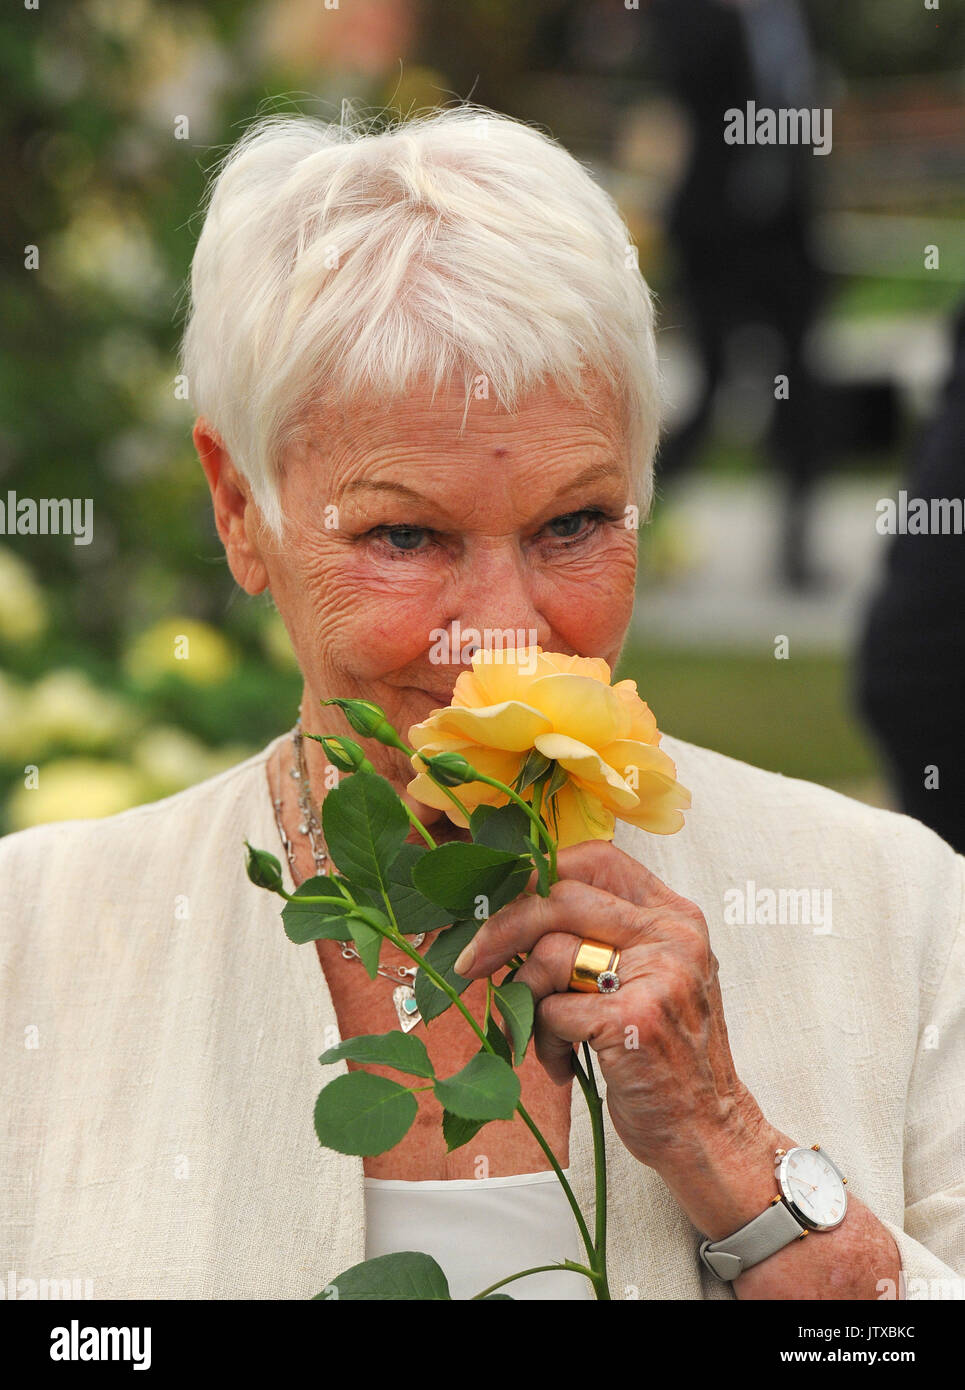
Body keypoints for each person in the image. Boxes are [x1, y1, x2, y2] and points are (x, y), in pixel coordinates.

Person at [1, 106, 962, 1301]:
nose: (503, 626)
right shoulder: (31, 945)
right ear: (240, 510)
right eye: (405, 533)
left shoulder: (899, 914)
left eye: (572, 523)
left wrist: (733, 1154)